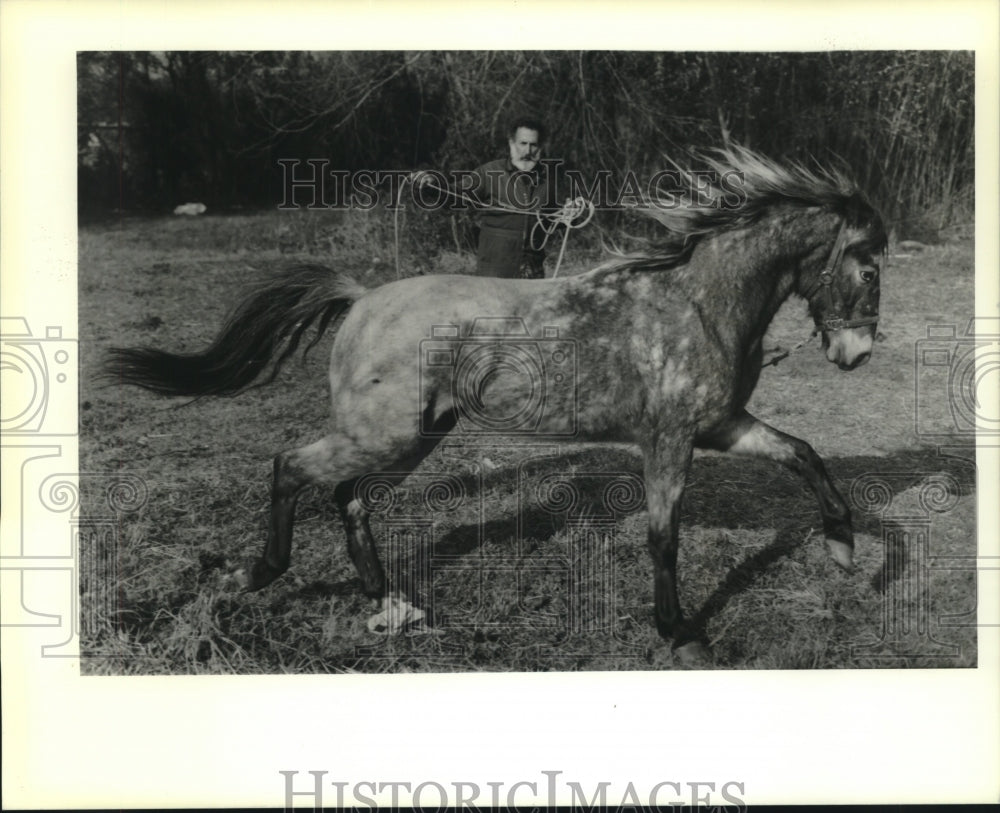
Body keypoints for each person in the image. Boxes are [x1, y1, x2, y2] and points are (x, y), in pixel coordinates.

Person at [415, 117, 559, 279]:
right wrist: (433, 186)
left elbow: (552, 220)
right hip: (495, 271)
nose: (528, 151)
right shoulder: (489, 173)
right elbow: (456, 196)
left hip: (532, 272)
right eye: (523, 143)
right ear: (512, 143)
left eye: (533, 145)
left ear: (540, 147)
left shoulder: (547, 179)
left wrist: (572, 214)